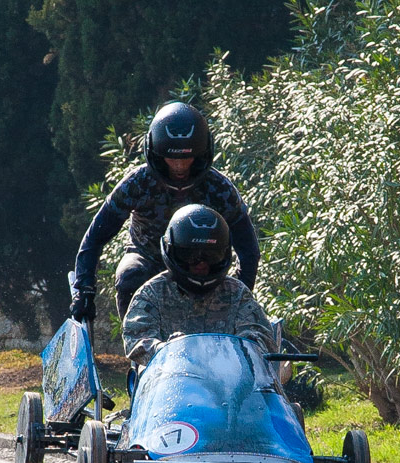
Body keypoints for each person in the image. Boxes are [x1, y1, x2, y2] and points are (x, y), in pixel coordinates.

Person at [70, 102, 260, 323]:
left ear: (201, 154)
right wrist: (84, 290)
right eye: (172, 159)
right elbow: (95, 238)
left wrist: (242, 293)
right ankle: (136, 341)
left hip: (201, 265)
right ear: (157, 153)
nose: (179, 167)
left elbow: (248, 249)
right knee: (129, 275)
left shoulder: (220, 189)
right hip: (148, 257)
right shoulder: (137, 183)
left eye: (186, 158)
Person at [123, 204, 273, 366]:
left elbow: (260, 336)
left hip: (227, 377)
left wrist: (242, 348)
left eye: (211, 255)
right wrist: (165, 349)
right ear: (172, 251)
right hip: (169, 376)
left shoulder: (237, 292)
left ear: (224, 253)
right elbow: (136, 338)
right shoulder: (152, 292)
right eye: (190, 255)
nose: (201, 263)